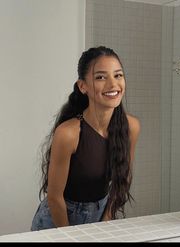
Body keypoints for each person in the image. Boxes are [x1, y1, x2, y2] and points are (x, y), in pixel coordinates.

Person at [31, 46, 140, 231]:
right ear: (83, 86)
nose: (113, 85)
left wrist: (105, 222)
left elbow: (123, 179)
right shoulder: (68, 133)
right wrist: (69, 236)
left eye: (118, 75)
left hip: (100, 215)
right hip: (58, 220)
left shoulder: (131, 126)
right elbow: (55, 197)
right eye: (100, 77)